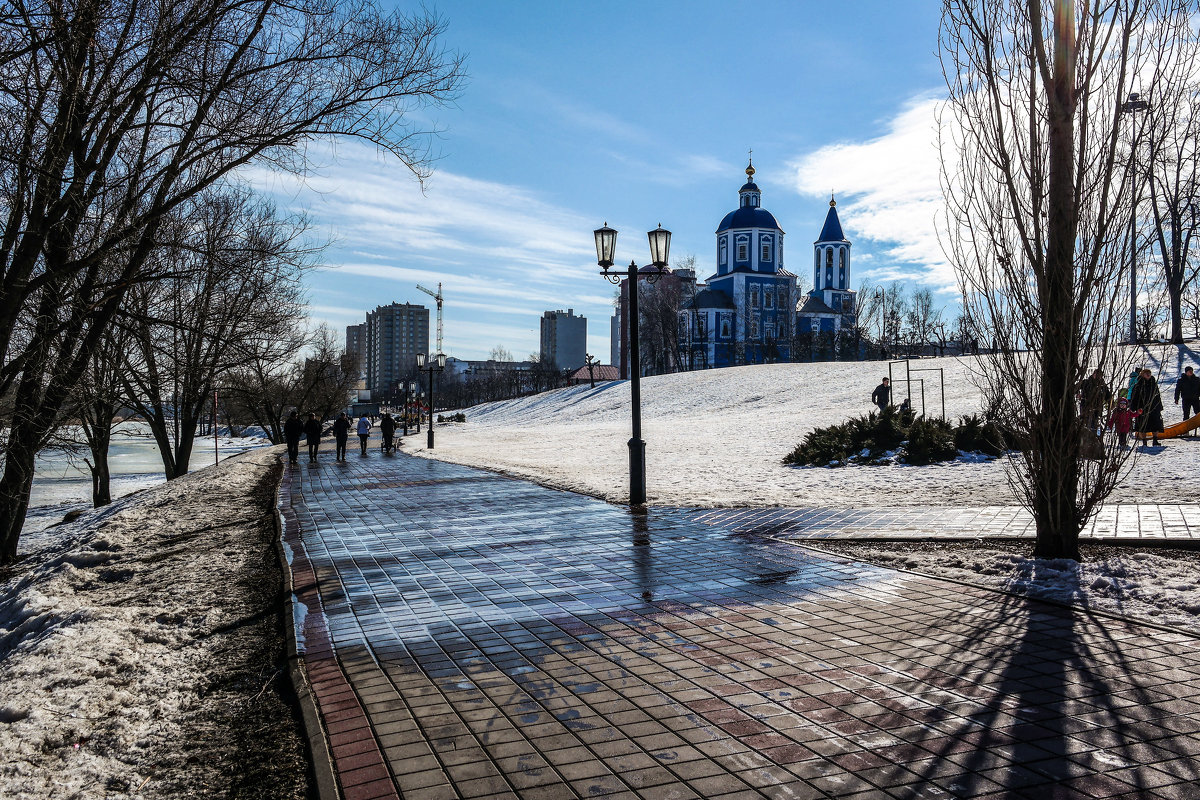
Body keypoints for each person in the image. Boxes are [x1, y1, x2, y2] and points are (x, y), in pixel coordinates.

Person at [1130, 368, 1164, 447]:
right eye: (1146, 373)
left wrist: (1159, 406)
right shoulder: (1138, 385)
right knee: (1143, 425)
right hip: (1142, 408)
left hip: (1154, 407)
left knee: (1155, 424)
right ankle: (1144, 441)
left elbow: (1157, 396)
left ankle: (1155, 440)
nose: (1148, 374)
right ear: (1142, 374)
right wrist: (1133, 407)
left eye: (1149, 373)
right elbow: (1134, 397)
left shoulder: (1153, 384)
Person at [1175, 366, 1200, 436]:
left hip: (1195, 399)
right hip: (1186, 399)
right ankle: (1186, 431)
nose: (1191, 372)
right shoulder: (1181, 380)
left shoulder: (1197, 379)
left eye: (1191, 371)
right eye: (1189, 371)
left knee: (1198, 414)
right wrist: (1176, 399)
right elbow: (1177, 390)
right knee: (1186, 414)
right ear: (1186, 372)